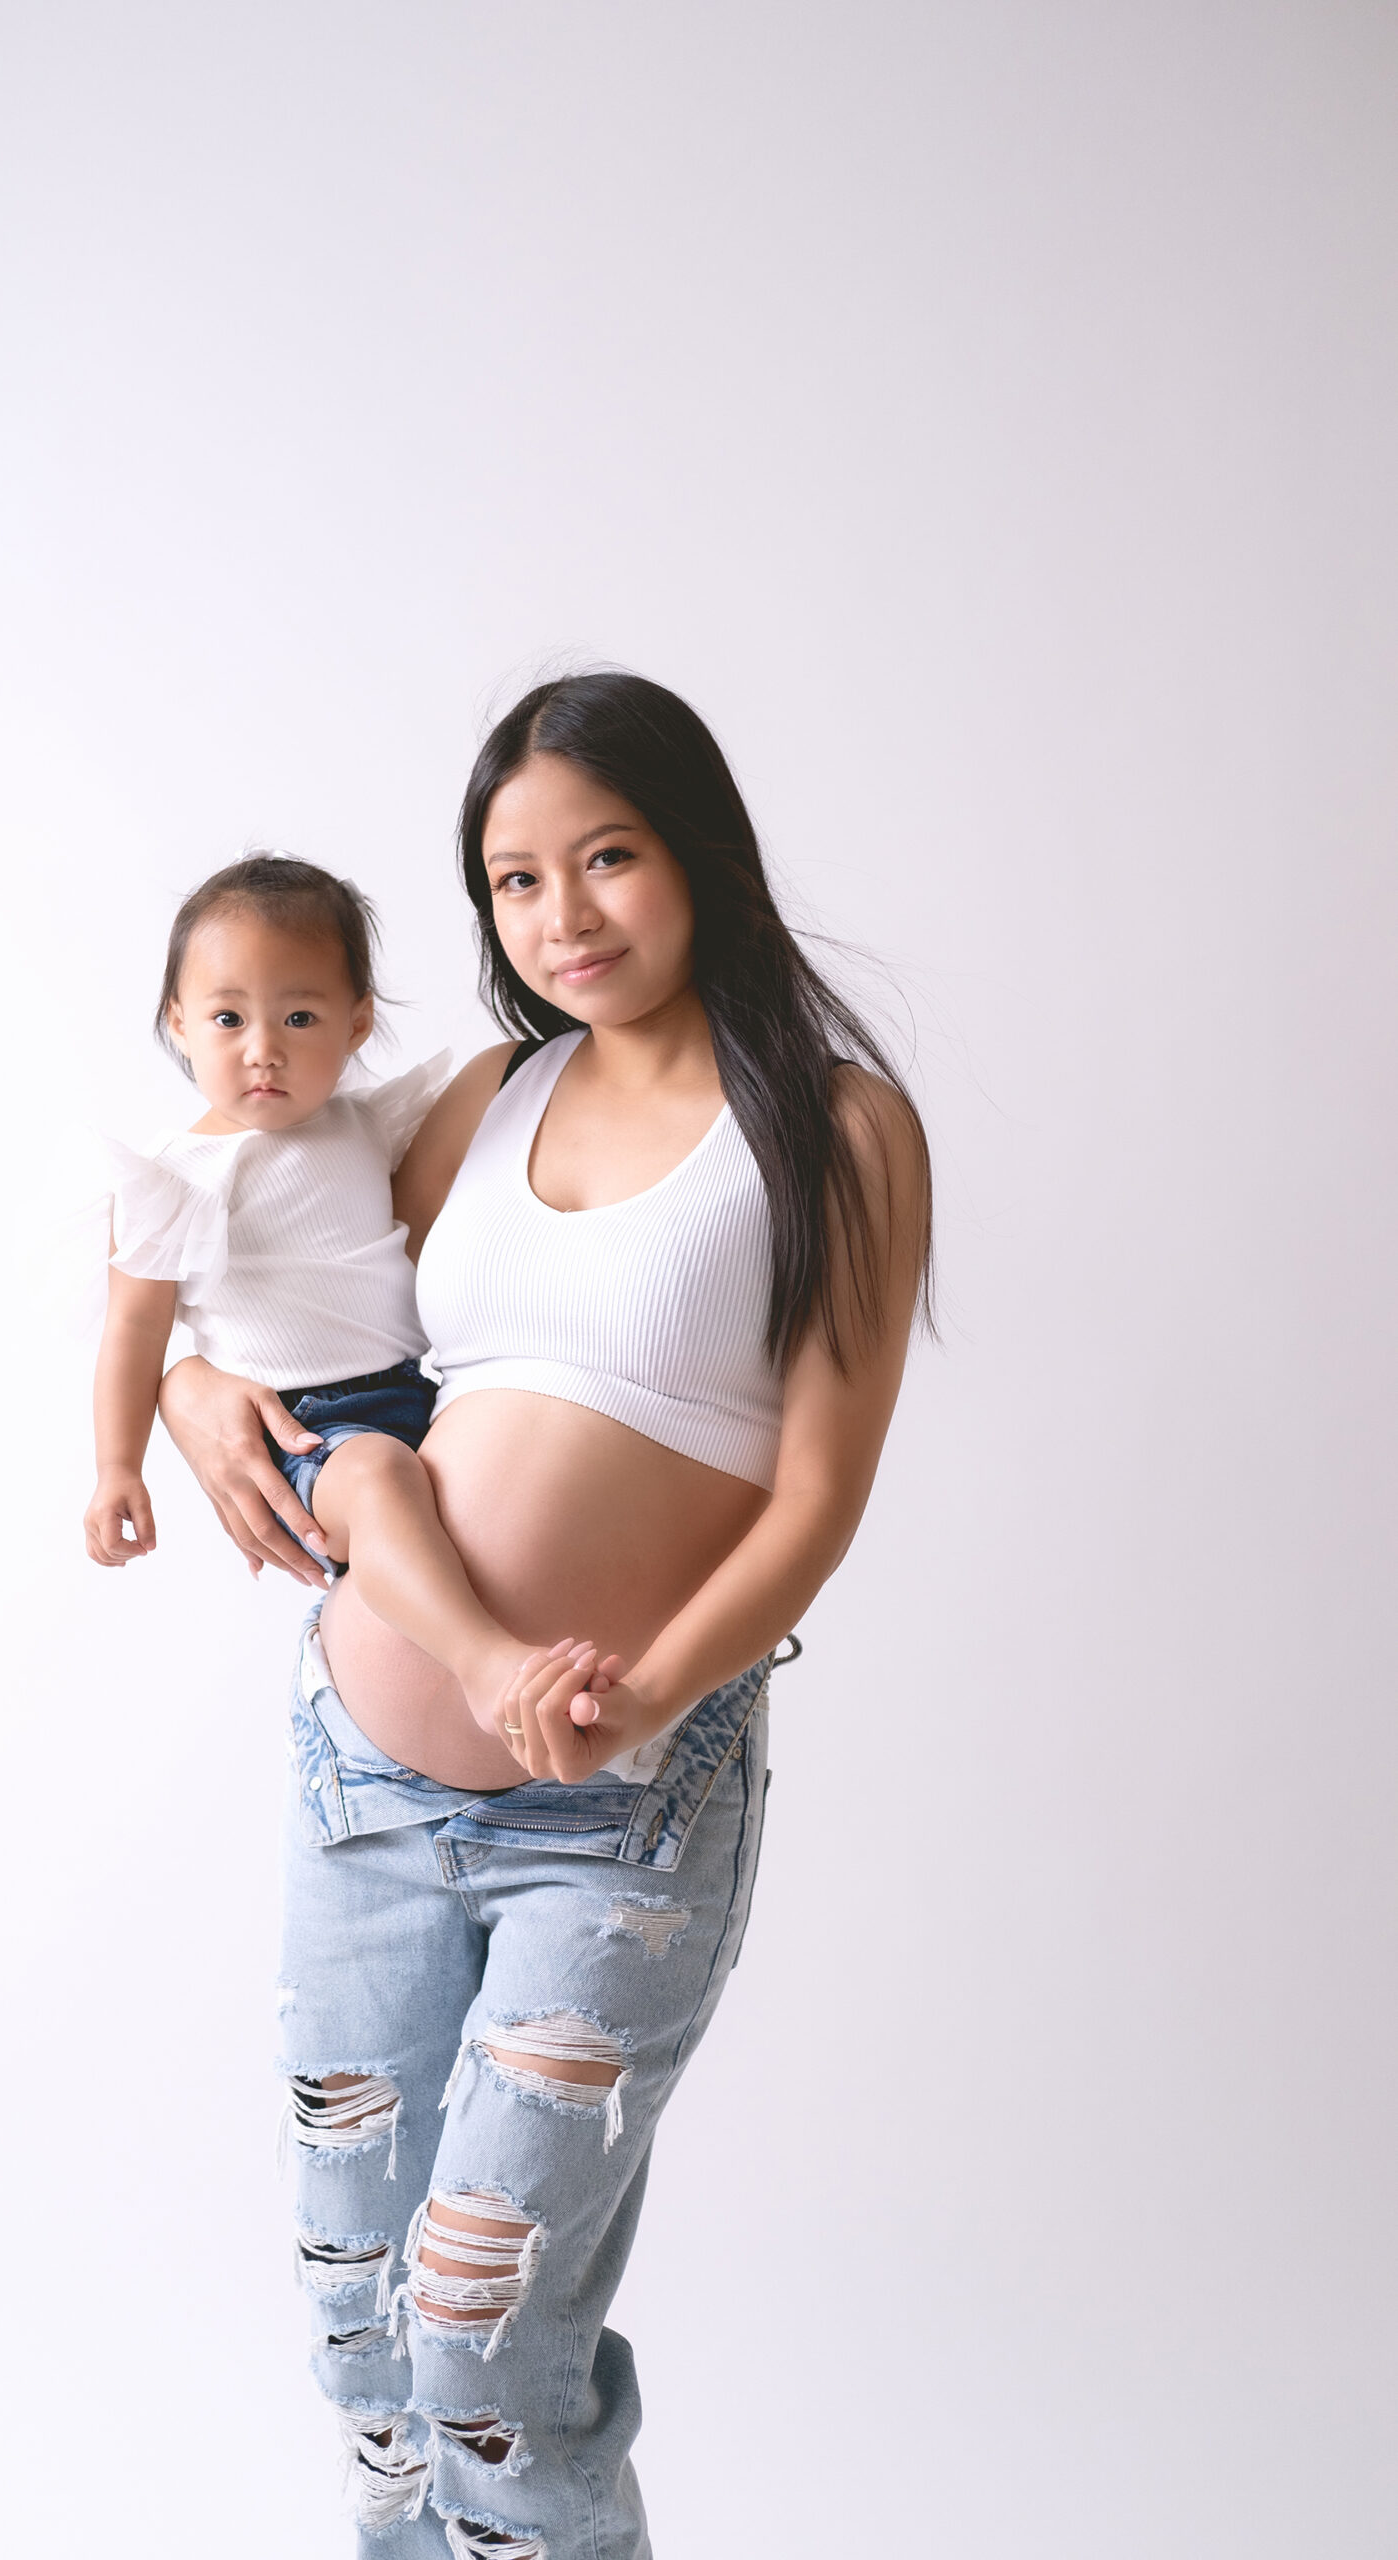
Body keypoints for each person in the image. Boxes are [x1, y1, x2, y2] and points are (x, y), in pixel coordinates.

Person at [158, 676, 933, 2558]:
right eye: (511, 883)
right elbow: (280, 1288)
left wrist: (642, 1697)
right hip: (364, 1782)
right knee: (366, 2339)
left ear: (699, 856)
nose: (561, 917)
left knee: (484, 2333)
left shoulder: (830, 1126)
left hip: (619, 1808)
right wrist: (188, 1395)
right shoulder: (482, 1101)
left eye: (604, 857)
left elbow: (818, 1495)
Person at [83, 852, 581, 1739]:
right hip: (303, 1426)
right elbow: (131, 1333)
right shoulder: (175, 1179)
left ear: (356, 1026)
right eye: (227, 1018)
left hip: (415, 1391)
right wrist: (119, 1468)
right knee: (382, 1481)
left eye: (299, 1016)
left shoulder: (365, 1127)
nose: (262, 1049)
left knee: (477, 1498)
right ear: (179, 1023)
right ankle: (483, 1663)